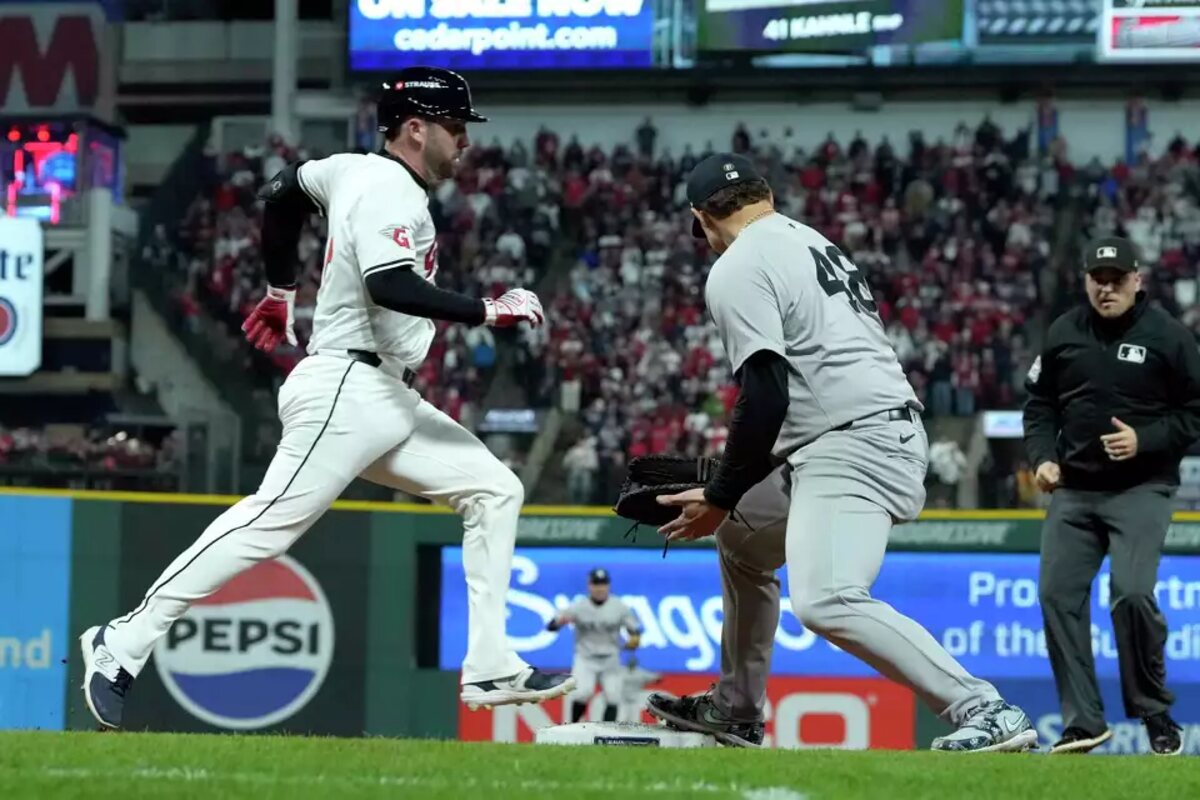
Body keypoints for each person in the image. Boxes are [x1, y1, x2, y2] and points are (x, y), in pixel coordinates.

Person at [78, 67, 574, 729]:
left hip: (385, 396)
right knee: (266, 524)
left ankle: (489, 663)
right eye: (454, 126)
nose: (463, 140)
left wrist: (281, 292)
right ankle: (123, 639)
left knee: (495, 489)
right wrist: (489, 310)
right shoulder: (390, 187)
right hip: (348, 388)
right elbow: (391, 284)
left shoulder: (346, 169)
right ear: (416, 129)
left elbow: (282, 194)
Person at [645, 153, 1036, 752]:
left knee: (827, 598)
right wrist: (732, 496)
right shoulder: (810, 241)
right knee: (743, 543)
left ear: (701, 218)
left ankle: (984, 709)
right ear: (765, 194)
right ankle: (735, 708)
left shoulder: (736, 266)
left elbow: (766, 395)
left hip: (853, 441)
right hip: (863, 433)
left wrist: (723, 492)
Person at [1024, 236, 1200, 756]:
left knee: (1132, 594)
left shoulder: (1169, 336)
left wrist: (1144, 440)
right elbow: (1039, 405)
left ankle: (1153, 710)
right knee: (1057, 595)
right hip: (1074, 491)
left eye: (1117, 279)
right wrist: (1040, 458)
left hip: (1141, 489)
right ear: (1085, 281)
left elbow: (1195, 411)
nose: (1107, 289)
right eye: (1097, 279)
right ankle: (1084, 723)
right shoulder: (1063, 333)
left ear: (1137, 281)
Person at [547, 568, 641, 723]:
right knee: (582, 693)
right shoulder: (579, 607)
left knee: (613, 697)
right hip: (586, 658)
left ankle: (606, 732)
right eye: (596, 584)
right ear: (589, 586)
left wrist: (635, 638)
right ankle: (573, 727)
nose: (599, 588)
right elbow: (551, 626)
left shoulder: (619, 607)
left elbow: (635, 629)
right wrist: (558, 622)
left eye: (603, 584)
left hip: (610, 658)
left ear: (608, 586)